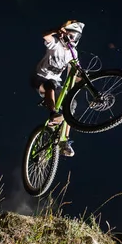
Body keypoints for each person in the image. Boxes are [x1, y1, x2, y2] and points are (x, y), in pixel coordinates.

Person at [30, 20, 85, 157]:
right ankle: (53, 112)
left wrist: (87, 81)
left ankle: (63, 142)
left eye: (73, 37)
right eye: (68, 35)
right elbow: (45, 35)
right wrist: (56, 30)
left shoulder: (73, 54)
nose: (69, 39)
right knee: (51, 84)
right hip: (40, 78)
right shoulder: (55, 44)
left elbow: (76, 74)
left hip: (55, 82)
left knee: (72, 104)